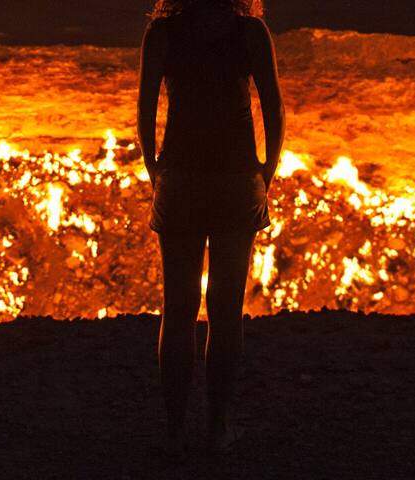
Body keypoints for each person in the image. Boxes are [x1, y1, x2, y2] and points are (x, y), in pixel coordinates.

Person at [135, 0, 281, 454]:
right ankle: (217, 428)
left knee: (177, 309)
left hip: (180, 177)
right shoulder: (251, 31)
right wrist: (265, 172)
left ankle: (175, 432)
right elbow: (274, 112)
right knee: (226, 308)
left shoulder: (162, 33)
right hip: (237, 179)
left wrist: (155, 169)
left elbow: (144, 113)